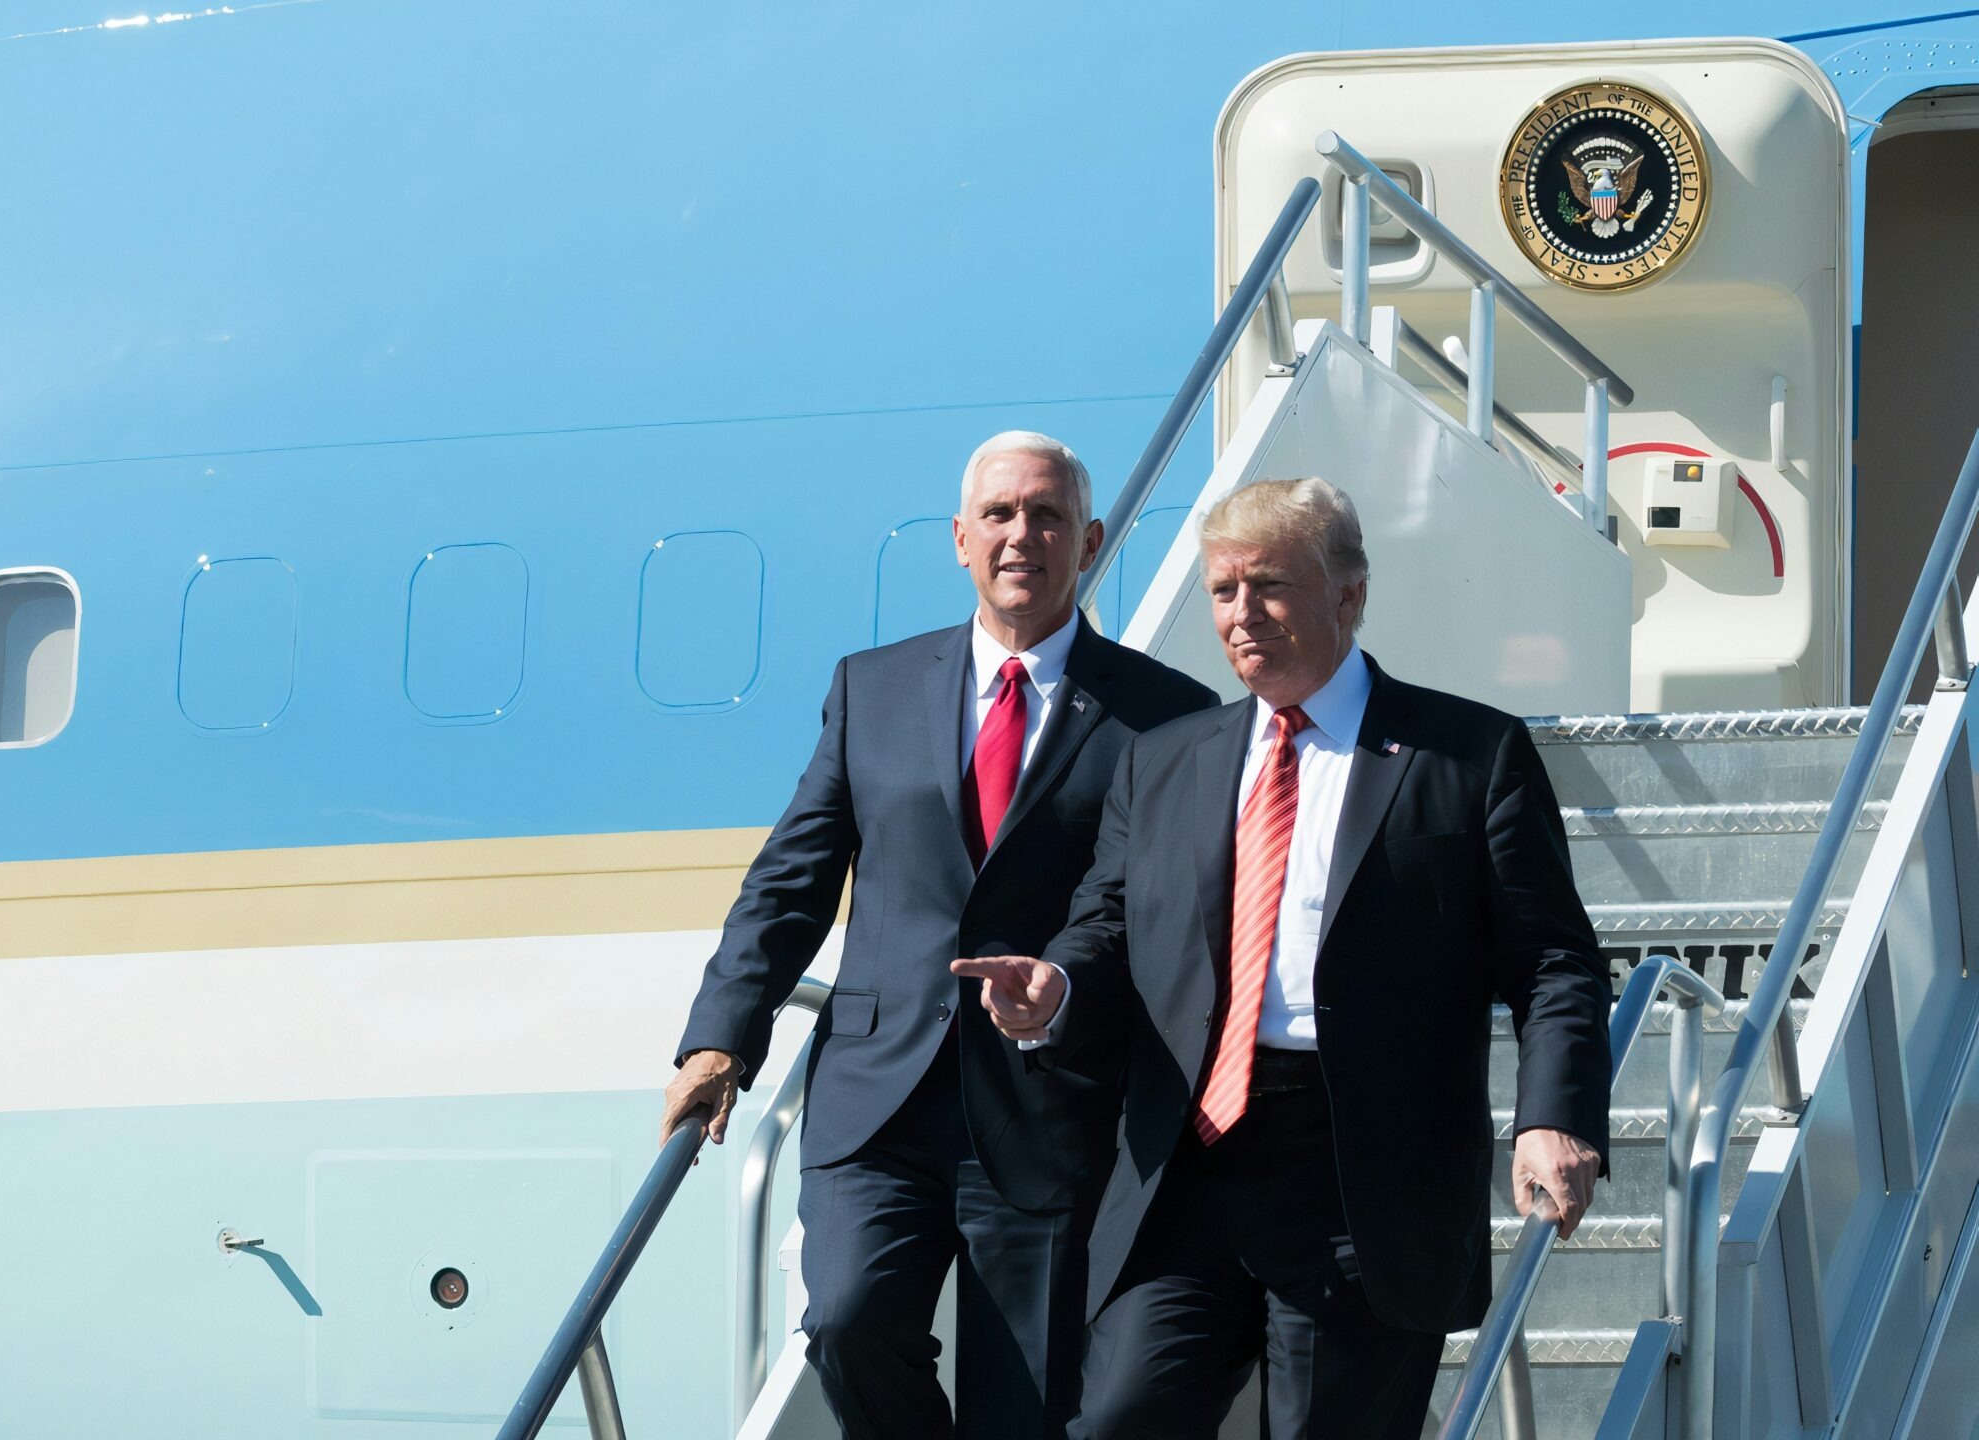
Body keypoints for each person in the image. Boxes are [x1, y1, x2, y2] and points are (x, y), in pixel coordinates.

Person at [954, 477, 1612, 1438]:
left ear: (1349, 595)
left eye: (1269, 585)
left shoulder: (1468, 755)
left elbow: (1553, 961)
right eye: (1223, 591)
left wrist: (1552, 1116)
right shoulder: (1166, 758)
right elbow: (1108, 924)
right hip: (1186, 1164)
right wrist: (1055, 989)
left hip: (1359, 1180)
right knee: (1120, 1419)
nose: (1241, 614)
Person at [664, 432, 1217, 1438]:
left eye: (1047, 515)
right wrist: (720, 1038)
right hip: (878, 1104)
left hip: (1051, 1106)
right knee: (846, 1321)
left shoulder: (1167, 715)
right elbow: (791, 879)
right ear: (961, 539)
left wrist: (1064, 989)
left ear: (1090, 540)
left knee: (1025, 1411)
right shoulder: (869, 689)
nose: (1021, 535)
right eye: (999, 515)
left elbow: (1157, 912)